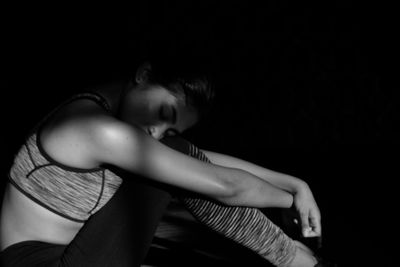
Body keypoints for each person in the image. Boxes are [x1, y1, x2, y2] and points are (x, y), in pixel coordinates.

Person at [0, 57, 329, 267]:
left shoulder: (108, 114)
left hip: (81, 251)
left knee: (179, 157)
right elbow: (226, 185)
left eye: (169, 128)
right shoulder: (96, 129)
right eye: (164, 113)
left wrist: (294, 184)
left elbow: (202, 162)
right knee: (178, 162)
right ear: (144, 73)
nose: (155, 132)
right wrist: (291, 201)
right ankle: (295, 260)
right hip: (49, 262)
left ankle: (293, 258)